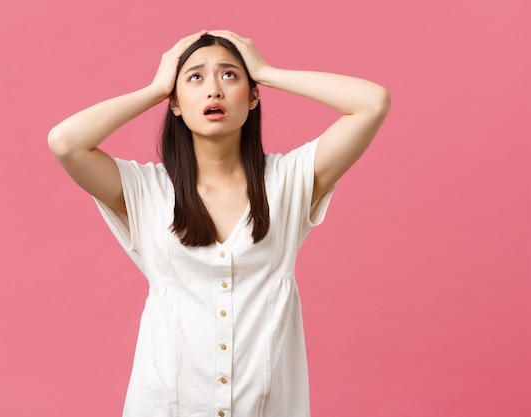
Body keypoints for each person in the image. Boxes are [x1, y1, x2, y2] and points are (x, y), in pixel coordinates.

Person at [48, 29, 390, 417]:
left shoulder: (288, 181)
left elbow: (373, 102)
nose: (214, 89)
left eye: (229, 75)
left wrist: (267, 71)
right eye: (195, 77)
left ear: (254, 94)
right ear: (174, 103)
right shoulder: (147, 190)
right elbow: (65, 141)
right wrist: (157, 87)